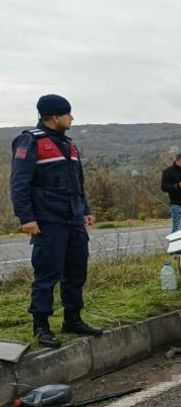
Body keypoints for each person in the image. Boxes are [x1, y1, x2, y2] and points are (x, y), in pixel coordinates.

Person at [9, 94, 104, 349]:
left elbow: (78, 182)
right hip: (48, 220)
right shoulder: (30, 141)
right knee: (47, 274)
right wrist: (26, 217)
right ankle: (41, 326)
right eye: (67, 114)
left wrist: (85, 209)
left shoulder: (69, 145)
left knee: (76, 270)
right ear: (53, 116)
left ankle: (72, 319)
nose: (71, 118)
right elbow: (19, 183)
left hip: (73, 219)